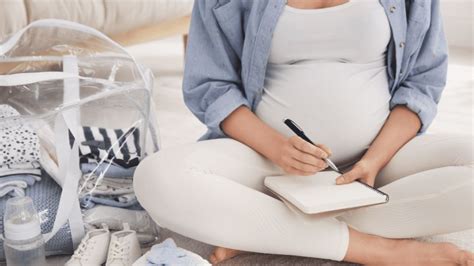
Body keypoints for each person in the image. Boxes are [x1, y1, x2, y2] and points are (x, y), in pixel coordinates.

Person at [134, 0, 474, 265]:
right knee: (156, 177)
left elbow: (422, 83)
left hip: (379, 166)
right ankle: (374, 250)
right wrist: (278, 149)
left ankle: (264, 228)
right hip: (266, 163)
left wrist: (373, 160)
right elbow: (212, 86)